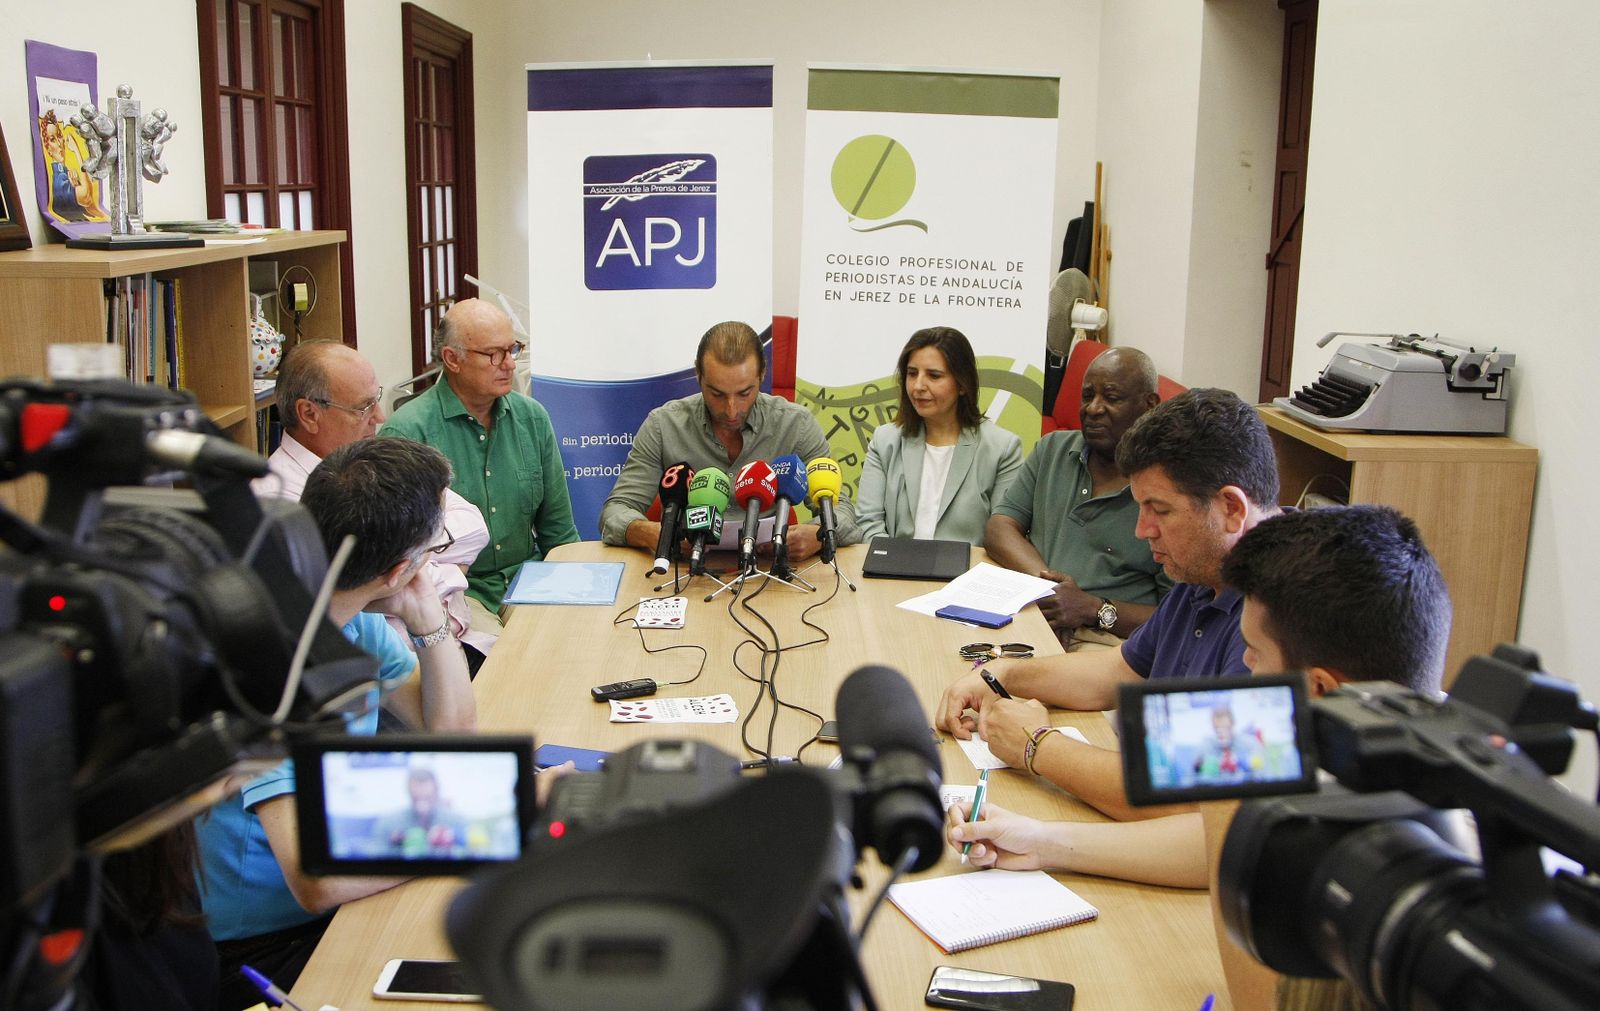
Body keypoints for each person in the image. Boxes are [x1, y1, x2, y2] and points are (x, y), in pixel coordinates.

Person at [944, 506, 1448, 924]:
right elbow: (1212, 838)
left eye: (1253, 652)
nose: (1243, 665)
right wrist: (1039, 841)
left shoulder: (1395, 849)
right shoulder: (1355, 735)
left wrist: (1038, 749)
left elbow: (1210, 827)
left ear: (1319, 689)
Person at [195, 438, 477, 1010]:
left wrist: (429, 626)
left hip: (333, 887)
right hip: (259, 948)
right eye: (435, 548)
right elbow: (314, 881)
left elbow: (449, 742)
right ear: (399, 568)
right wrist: (487, 823)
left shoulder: (338, 612)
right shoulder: (276, 664)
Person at [938, 388, 1281, 823]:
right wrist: (1002, 675)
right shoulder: (1206, 572)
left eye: (1159, 510)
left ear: (1231, 508)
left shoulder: (1278, 613)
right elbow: (1119, 671)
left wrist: (1036, 745)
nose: (1142, 530)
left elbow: (1182, 798)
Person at [256, 340, 495, 671]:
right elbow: (351, 600)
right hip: (400, 668)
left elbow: (474, 527)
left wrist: (403, 557)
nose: (380, 417)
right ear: (309, 413)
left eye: (377, 399)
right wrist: (434, 565)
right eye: (364, 407)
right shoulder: (276, 503)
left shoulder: (375, 461)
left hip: (460, 636)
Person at [382, 299, 579, 621]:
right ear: (452, 359)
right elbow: (398, 553)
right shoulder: (407, 431)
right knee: (498, 655)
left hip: (529, 580)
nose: (510, 364)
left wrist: (580, 590)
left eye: (512, 349)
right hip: (456, 589)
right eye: (494, 354)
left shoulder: (532, 417)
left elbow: (558, 530)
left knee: (572, 640)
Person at [599, 320, 861, 560]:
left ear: (762, 375)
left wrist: (816, 535)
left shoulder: (796, 424)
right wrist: (650, 533)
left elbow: (843, 511)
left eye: (745, 393)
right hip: (684, 568)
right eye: (717, 394)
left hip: (770, 571)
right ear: (698, 375)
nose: (732, 409)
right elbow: (616, 510)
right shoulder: (663, 425)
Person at [985, 347, 1169, 645]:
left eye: (1111, 398)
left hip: (1107, 638)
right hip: (1032, 611)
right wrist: (1049, 590)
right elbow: (1000, 526)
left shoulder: (1168, 489)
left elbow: (1177, 619)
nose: (1093, 408)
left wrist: (1091, 609)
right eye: (1087, 396)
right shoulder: (1052, 449)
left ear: (1149, 406)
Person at [854, 326, 1022, 545]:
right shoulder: (885, 440)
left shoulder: (1002, 448)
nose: (918, 386)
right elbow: (868, 523)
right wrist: (894, 568)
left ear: (962, 385)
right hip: (894, 573)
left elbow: (1004, 536)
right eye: (912, 374)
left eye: (934, 376)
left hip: (967, 574)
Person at [370, 766, 470, 856]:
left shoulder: (457, 821)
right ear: (409, 792)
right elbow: (375, 854)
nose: (422, 803)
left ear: (436, 792)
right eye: (417, 798)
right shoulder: (389, 824)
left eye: (427, 797)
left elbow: (470, 854)